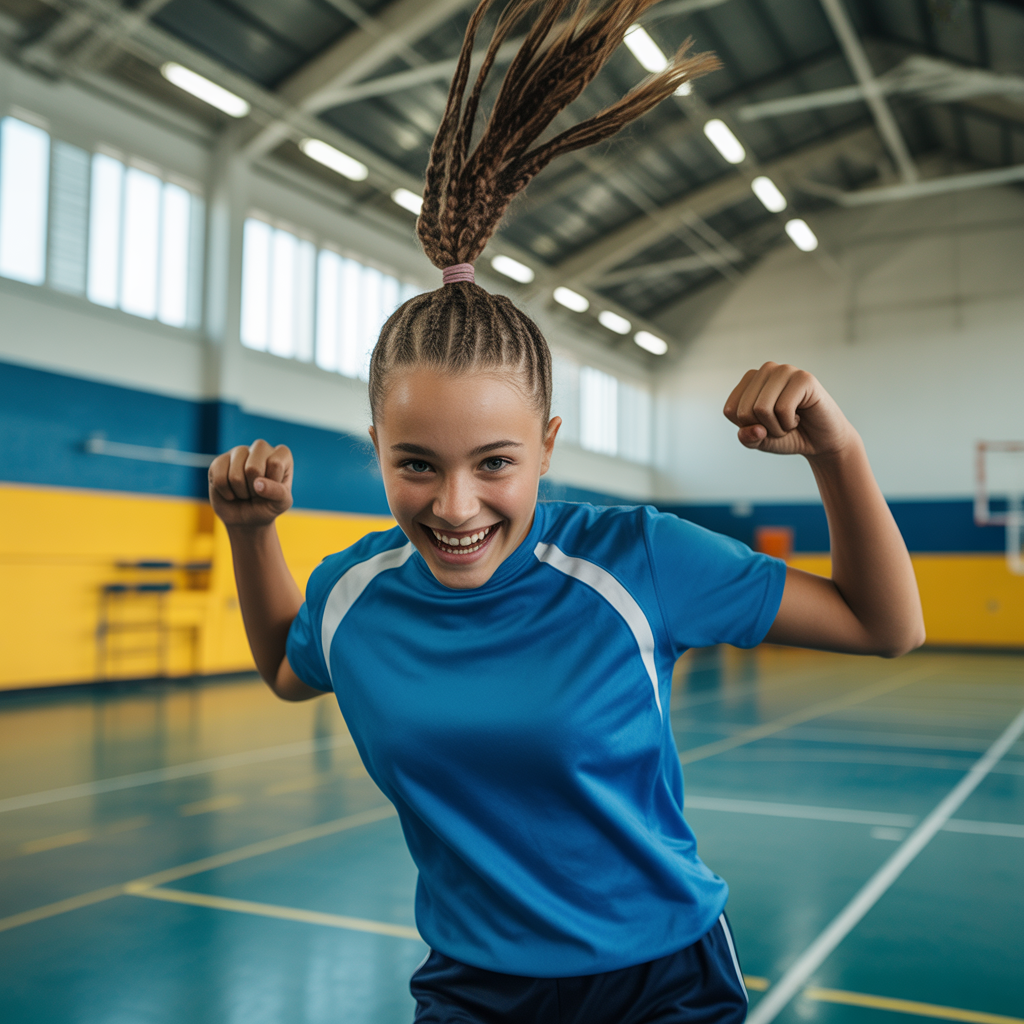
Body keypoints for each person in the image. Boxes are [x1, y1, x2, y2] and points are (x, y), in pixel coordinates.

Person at [208, 1, 925, 1020]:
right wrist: (250, 534)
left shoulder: (634, 560)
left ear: (547, 443)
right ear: (375, 450)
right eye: (415, 464)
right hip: (471, 987)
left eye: (494, 461)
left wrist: (836, 452)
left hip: (662, 980)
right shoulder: (354, 592)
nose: (455, 505)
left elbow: (886, 627)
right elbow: (287, 669)